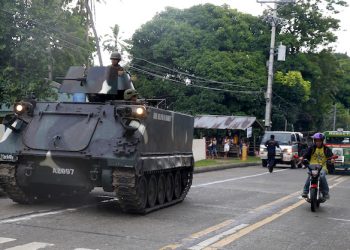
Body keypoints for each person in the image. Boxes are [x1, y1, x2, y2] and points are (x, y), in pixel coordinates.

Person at [300, 132, 334, 199]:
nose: (318, 142)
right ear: (314, 141)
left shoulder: (326, 149)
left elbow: (331, 156)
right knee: (310, 176)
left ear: (322, 141)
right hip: (312, 166)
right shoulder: (312, 148)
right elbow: (306, 154)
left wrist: (332, 159)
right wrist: (302, 157)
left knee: (321, 176)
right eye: (316, 140)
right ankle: (305, 192)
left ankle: (325, 193)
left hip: (322, 167)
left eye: (319, 141)